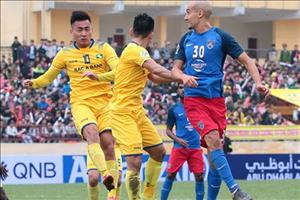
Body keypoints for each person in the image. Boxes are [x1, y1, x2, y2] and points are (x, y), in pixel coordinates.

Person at [172, 1, 270, 200]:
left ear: (200, 14)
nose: (185, 17)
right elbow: (175, 68)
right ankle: (236, 191)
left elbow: (247, 60)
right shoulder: (186, 39)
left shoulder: (221, 37)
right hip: (194, 100)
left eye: (188, 13)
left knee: (215, 157)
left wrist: (258, 82)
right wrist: (183, 77)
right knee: (213, 140)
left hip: (216, 102)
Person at [23, 11, 120, 199]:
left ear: (92, 29)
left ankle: (112, 194)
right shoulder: (65, 54)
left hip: (106, 103)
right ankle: (106, 174)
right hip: (81, 104)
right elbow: (48, 77)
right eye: (79, 30)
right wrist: (33, 83)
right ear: (71, 31)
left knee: (108, 144)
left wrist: (98, 76)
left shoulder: (104, 48)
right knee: (92, 133)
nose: (84, 33)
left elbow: (118, 71)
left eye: (87, 29)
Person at [110, 13, 177, 200]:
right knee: (135, 161)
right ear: (151, 35)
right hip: (122, 113)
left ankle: (148, 194)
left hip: (137, 111)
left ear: (132, 30)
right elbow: (155, 69)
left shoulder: (137, 53)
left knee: (158, 152)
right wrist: (180, 75)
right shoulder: (135, 50)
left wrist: (180, 79)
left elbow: (154, 77)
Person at [161, 84, 204, 200]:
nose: (183, 89)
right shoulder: (174, 109)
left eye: (185, 87)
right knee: (170, 175)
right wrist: (178, 139)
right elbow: (168, 131)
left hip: (195, 148)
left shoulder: (198, 107)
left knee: (200, 176)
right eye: (180, 87)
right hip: (179, 148)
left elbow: (203, 125)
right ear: (177, 91)